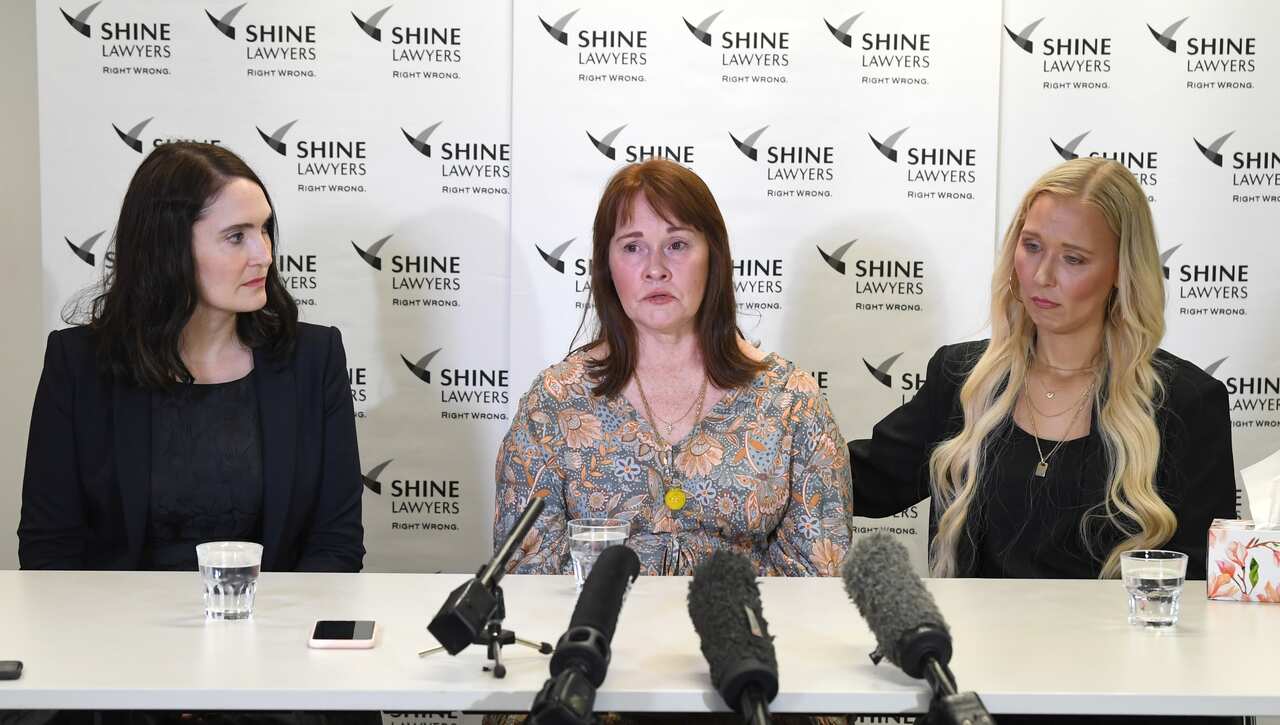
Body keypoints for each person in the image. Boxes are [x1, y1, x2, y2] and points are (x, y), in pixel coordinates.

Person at [850, 156, 1235, 581]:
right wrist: (779, 402)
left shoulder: (1187, 402)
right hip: (975, 646)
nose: (1042, 276)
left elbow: (1203, 587)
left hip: (1114, 649)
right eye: (1031, 247)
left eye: (1074, 259)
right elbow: (856, 486)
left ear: (1121, 272)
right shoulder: (960, 376)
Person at [493, 158, 853, 578]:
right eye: (632, 247)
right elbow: (525, 577)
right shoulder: (554, 403)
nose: (655, 268)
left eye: (677, 244)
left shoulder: (792, 403)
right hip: (599, 641)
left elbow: (817, 578)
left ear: (713, 258)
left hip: (742, 638)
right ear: (607, 267)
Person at [20, 142, 364, 573]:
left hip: (274, 630)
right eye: (236, 236)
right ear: (169, 248)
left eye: (264, 230)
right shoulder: (77, 365)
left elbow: (336, 544)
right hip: (114, 632)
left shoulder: (314, 358)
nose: (264, 255)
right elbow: (49, 549)